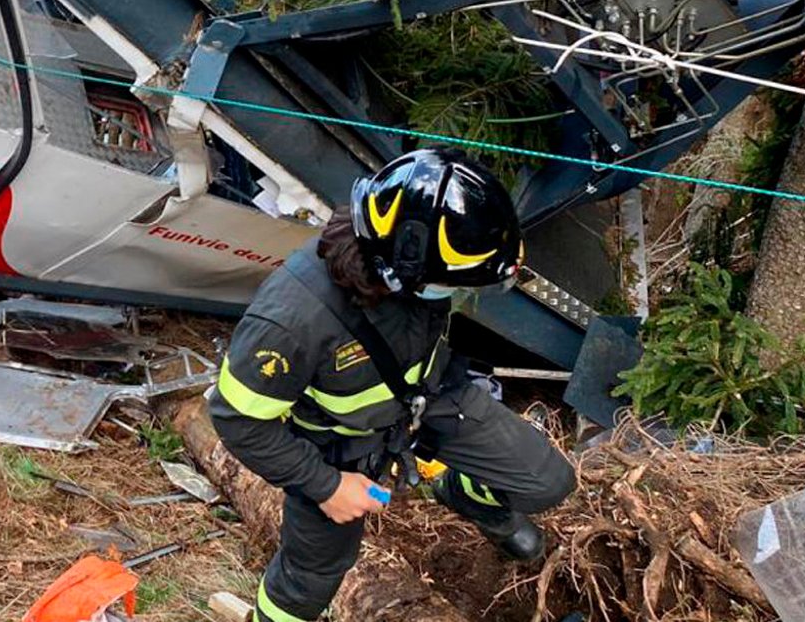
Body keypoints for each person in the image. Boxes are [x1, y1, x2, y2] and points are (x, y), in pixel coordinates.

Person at [209, 148, 575, 622]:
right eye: (452, 285)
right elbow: (238, 420)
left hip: (427, 399)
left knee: (547, 480)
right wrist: (326, 486)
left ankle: (464, 494)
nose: (457, 296)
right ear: (399, 267)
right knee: (310, 579)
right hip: (337, 445)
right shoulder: (292, 320)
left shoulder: (412, 262)